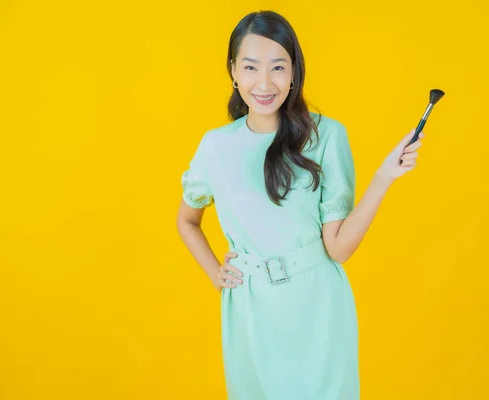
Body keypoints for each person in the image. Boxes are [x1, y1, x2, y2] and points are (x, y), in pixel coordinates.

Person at [176, 10, 424, 400]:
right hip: (251, 309)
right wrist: (214, 273)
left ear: (294, 72)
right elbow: (187, 221)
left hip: (318, 307)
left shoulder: (326, 136)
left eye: (278, 67)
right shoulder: (215, 146)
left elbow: (339, 249)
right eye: (251, 67)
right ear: (233, 71)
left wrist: (383, 177)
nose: (264, 82)